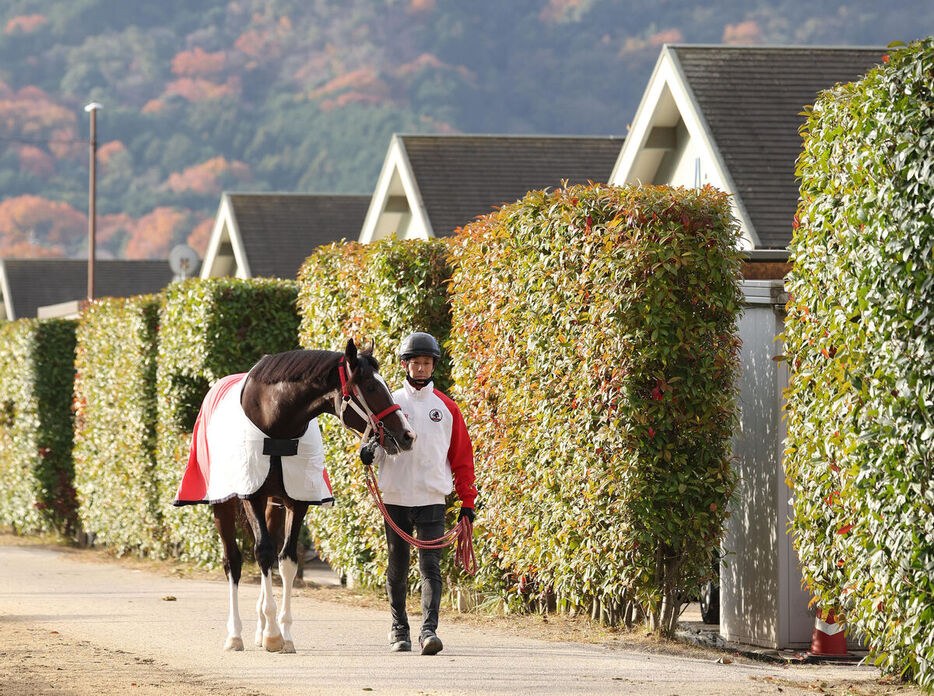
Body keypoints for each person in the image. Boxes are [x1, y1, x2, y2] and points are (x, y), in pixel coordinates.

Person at [360, 331, 477, 655]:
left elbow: (462, 458)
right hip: (396, 498)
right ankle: (399, 630)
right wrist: (367, 452)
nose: (421, 369)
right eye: (416, 363)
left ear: (433, 365)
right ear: (405, 365)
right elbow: (374, 444)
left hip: (431, 500)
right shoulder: (389, 401)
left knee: (430, 568)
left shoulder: (448, 408)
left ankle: (429, 632)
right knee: (397, 567)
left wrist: (467, 503)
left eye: (426, 363)